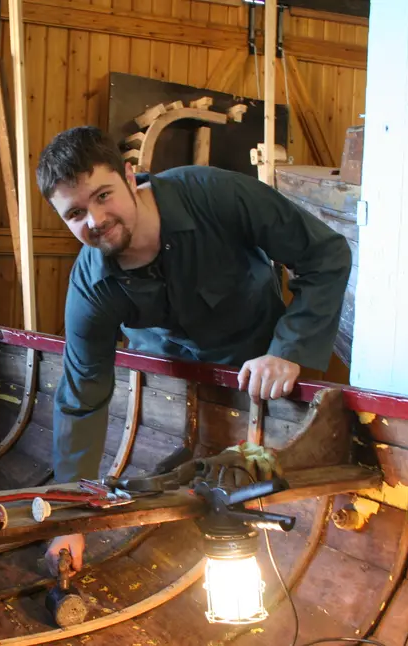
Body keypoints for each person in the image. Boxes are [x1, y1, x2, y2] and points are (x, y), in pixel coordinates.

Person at [34, 126, 351, 576]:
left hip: (263, 369)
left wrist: (291, 349)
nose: (95, 219)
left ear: (130, 176)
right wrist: (69, 517)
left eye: (104, 195)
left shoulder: (215, 194)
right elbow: (82, 397)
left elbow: (325, 254)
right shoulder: (91, 287)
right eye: (75, 214)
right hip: (171, 388)